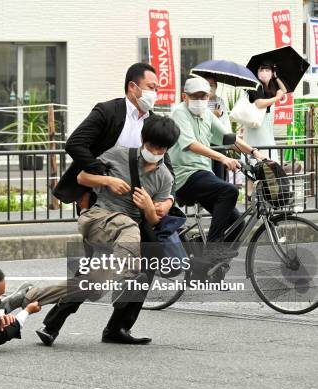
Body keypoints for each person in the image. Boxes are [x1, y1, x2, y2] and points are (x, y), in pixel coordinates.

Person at [39, 62, 177, 347]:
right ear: (133, 87)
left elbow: (167, 166)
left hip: (139, 208)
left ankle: (118, 326)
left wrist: (167, 201)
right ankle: (53, 324)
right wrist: (104, 176)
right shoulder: (108, 111)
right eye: (151, 87)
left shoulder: (153, 122)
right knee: (97, 266)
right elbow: (75, 144)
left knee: (149, 261)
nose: (155, 93)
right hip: (104, 203)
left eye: (156, 89)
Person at [169, 77, 267, 245]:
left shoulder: (207, 114)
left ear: (208, 97)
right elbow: (191, 144)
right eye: (195, 96)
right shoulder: (179, 113)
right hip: (185, 177)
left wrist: (254, 152)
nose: (200, 100)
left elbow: (229, 138)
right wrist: (222, 157)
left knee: (236, 223)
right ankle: (213, 248)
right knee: (229, 190)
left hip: (204, 176)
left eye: (204, 96)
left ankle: (205, 261)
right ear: (185, 97)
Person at [246, 61, 287, 162]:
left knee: (267, 152)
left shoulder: (271, 86)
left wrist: (276, 77)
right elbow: (259, 103)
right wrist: (277, 98)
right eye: (261, 70)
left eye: (267, 70)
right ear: (257, 72)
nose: (264, 72)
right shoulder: (256, 85)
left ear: (272, 73)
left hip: (266, 124)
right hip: (257, 125)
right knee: (259, 155)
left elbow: (284, 90)